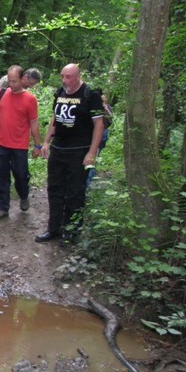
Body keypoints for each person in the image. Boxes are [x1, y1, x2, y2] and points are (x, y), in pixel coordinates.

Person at [35, 64, 104, 244]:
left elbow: (99, 125)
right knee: (55, 189)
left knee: (75, 193)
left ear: (78, 76)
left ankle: (71, 232)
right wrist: (47, 141)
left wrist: (91, 152)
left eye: (69, 77)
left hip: (79, 151)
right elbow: (55, 117)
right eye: (63, 76)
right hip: (58, 149)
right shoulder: (60, 92)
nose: (65, 80)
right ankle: (54, 228)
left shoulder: (90, 94)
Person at [0, 65, 42, 220]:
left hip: (19, 145)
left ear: (23, 79)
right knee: (1, 176)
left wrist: (37, 145)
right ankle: (3, 208)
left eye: (15, 81)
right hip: (0, 142)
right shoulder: (2, 93)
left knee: (21, 175)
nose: (12, 84)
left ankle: (23, 195)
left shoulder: (30, 99)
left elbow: (34, 123)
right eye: (9, 80)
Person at [86, 87, 112, 187]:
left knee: (90, 160)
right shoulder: (106, 106)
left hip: (96, 136)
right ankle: (87, 184)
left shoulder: (96, 106)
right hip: (100, 137)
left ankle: (86, 185)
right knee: (92, 159)